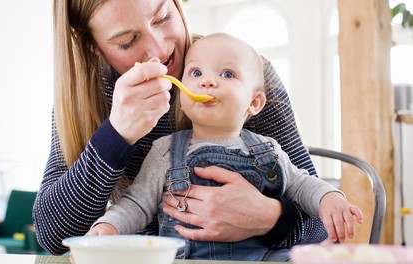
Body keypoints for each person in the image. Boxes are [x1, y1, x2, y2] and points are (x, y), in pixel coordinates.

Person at [33, 0, 330, 255]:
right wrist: (116, 135)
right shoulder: (87, 96)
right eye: (127, 40)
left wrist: (270, 218)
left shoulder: (242, 76)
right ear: (93, 47)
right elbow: (53, 236)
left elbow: (319, 225)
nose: (159, 49)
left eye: (163, 17)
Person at [86, 33, 364, 261]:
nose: (207, 81)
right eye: (195, 72)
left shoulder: (269, 149)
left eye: (227, 74)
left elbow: (303, 184)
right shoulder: (165, 150)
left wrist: (330, 199)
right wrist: (109, 227)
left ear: (254, 103)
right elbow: (137, 203)